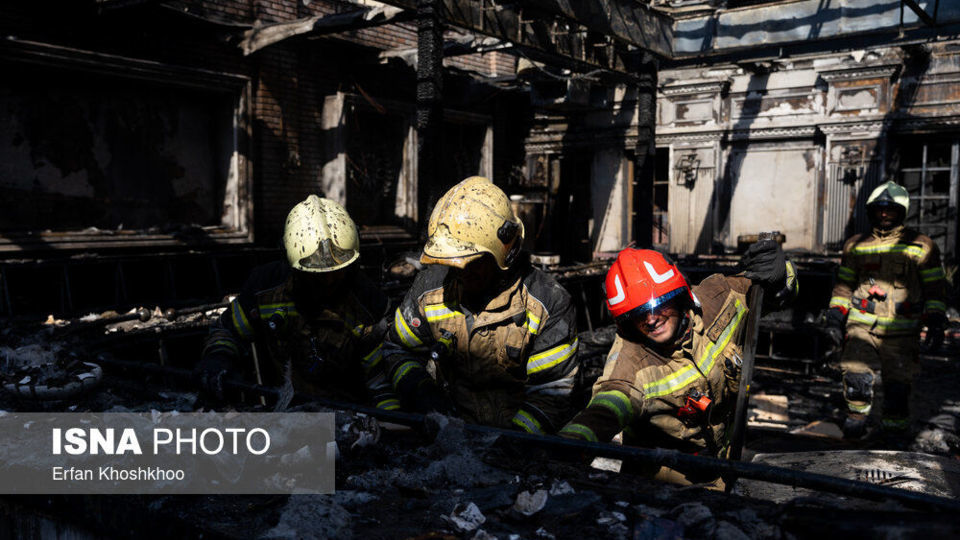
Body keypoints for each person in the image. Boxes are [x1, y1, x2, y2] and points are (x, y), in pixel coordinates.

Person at [559, 242, 797, 487]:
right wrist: (564, 448)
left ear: (679, 295)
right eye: (637, 314)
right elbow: (604, 410)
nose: (651, 320)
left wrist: (780, 273)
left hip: (726, 459)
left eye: (657, 305)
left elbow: (776, 294)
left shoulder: (720, 299)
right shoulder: (630, 364)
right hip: (665, 481)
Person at [381, 176, 580, 433]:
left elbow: (554, 391)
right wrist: (421, 391)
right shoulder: (429, 290)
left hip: (522, 444)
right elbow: (397, 349)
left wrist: (512, 444)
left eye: (471, 262)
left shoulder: (548, 303)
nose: (461, 274)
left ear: (504, 252)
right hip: (449, 434)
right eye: (452, 263)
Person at [195, 195, 397, 409]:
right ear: (291, 266)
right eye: (316, 276)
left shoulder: (367, 303)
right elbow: (228, 332)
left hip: (346, 417)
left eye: (338, 272)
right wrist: (219, 357)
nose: (328, 281)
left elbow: (381, 380)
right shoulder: (265, 289)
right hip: (285, 412)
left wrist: (389, 427)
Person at [823, 180, 948, 436]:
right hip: (861, 324)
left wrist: (936, 319)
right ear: (871, 211)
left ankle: (893, 433)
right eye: (879, 209)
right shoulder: (855, 245)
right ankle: (856, 420)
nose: (884, 214)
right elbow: (844, 285)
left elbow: (935, 287)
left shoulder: (922, 245)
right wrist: (835, 315)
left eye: (890, 209)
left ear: (901, 212)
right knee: (856, 374)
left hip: (902, 330)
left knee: (897, 386)